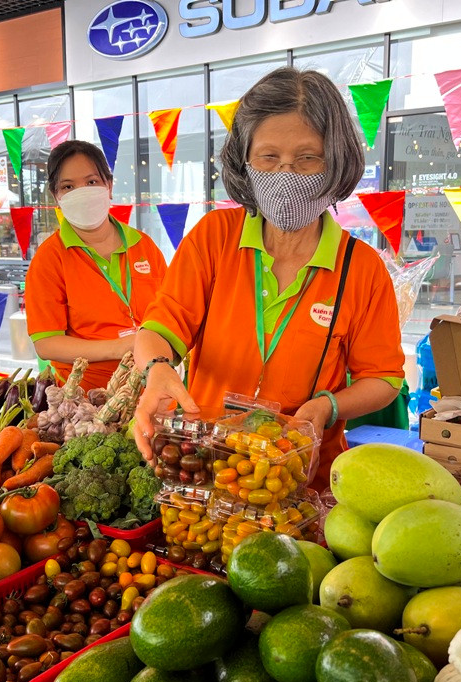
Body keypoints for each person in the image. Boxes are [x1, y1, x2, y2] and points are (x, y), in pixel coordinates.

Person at [133, 67, 406, 482]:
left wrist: (326, 408)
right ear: (246, 162)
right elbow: (161, 328)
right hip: (205, 466)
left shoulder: (361, 267)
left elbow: (384, 378)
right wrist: (156, 369)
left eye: (308, 157)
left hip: (297, 474)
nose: (286, 174)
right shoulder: (214, 237)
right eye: (269, 156)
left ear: (336, 163)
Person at [25, 140, 168, 391]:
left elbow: (169, 312)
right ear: (56, 197)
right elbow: (46, 343)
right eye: (68, 186)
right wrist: (122, 346)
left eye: (91, 182)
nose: (82, 192)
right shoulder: (50, 258)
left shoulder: (144, 246)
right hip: (85, 400)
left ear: (109, 186)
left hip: (152, 388)